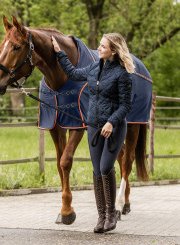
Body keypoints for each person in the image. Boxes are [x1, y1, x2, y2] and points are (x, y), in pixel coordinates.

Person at [52, 33, 135, 233]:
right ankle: (101, 217)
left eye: (103, 46)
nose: (98, 48)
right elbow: (72, 73)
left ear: (113, 51)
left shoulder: (122, 73)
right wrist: (59, 53)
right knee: (97, 171)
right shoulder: (93, 68)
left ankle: (111, 213)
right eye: (99, 45)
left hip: (113, 127)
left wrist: (111, 122)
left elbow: (125, 105)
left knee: (106, 167)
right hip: (93, 126)